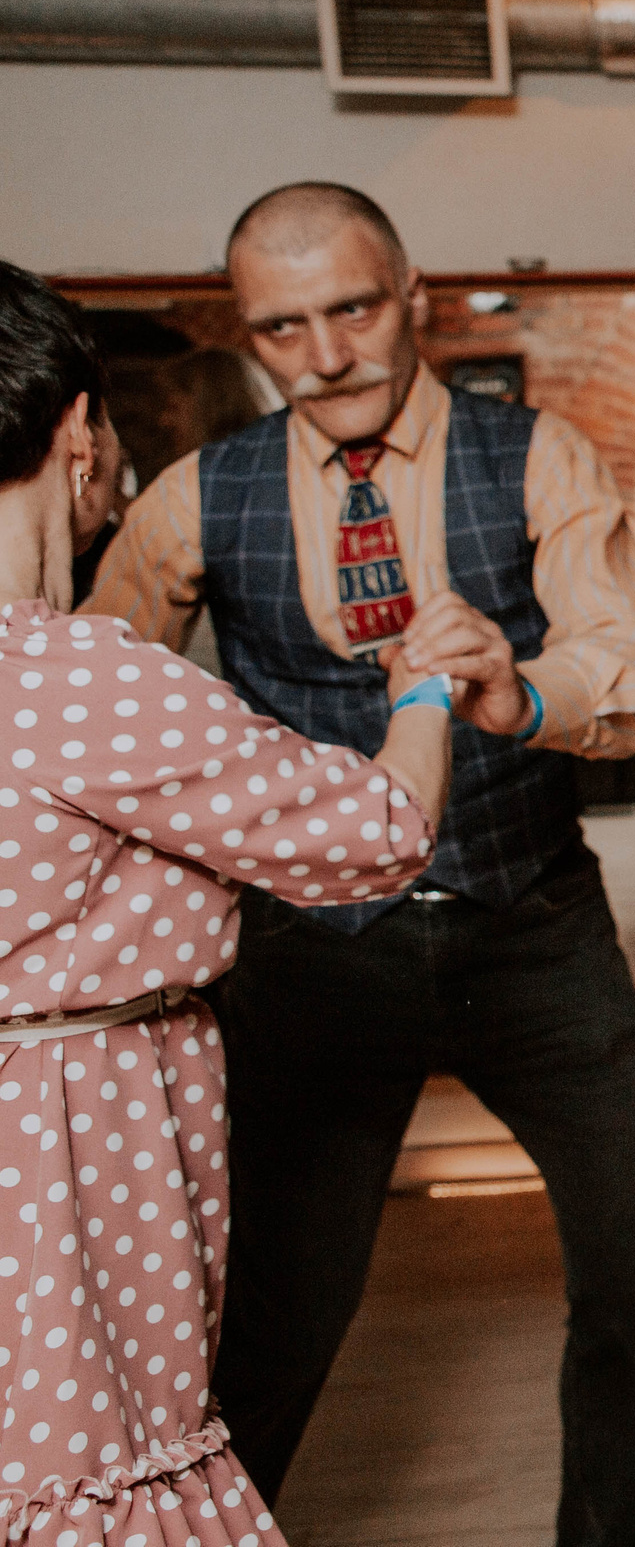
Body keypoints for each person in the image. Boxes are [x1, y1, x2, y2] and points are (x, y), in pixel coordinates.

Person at [81, 183, 635, 1543]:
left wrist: (518, 698)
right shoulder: (195, 497)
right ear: (251, 336)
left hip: (532, 923)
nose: (326, 354)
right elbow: (84, 694)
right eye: (283, 328)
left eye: (353, 309)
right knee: (276, 1314)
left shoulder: (538, 457)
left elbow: (629, 677)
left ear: (415, 294)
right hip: (312, 956)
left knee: (634, 1279)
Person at [0, 260, 453, 1546]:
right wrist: (420, 685)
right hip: (70, 1134)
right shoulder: (72, 674)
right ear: (81, 432)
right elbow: (375, 837)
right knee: (99, 1460)